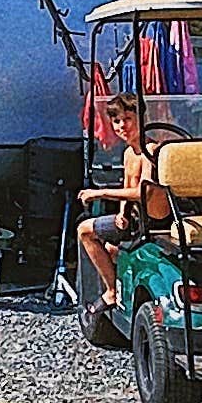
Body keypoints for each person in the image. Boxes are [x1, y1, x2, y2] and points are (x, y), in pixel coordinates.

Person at [74, 81, 156, 304]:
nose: (122, 126)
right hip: (134, 220)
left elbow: (143, 193)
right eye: (117, 121)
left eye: (128, 119)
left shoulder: (150, 150)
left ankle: (111, 291)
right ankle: (121, 291)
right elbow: (128, 185)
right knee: (110, 248)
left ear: (141, 119)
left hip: (151, 222)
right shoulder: (129, 153)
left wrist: (100, 194)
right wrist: (122, 213)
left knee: (84, 230)